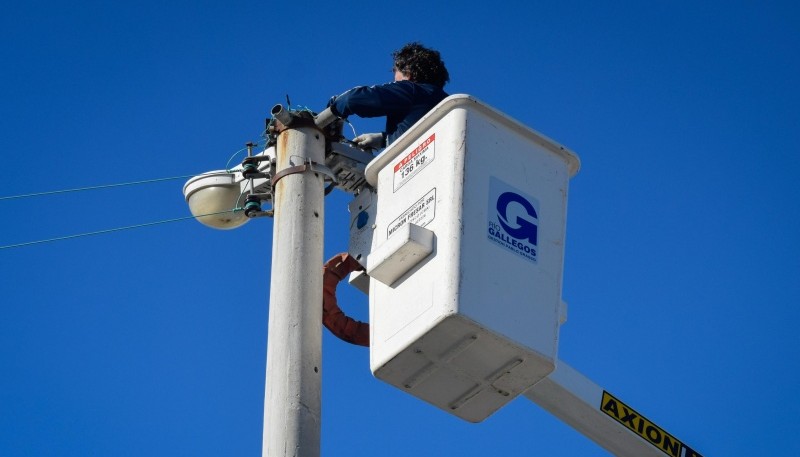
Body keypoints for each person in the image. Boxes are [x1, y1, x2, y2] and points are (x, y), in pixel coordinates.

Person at [325, 42, 450, 150]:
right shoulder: (443, 103)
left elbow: (351, 99)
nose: (394, 80)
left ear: (408, 72)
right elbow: (417, 137)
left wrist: (331, 110)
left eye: (395, 72)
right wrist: (384, 139)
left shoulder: (411, 90)